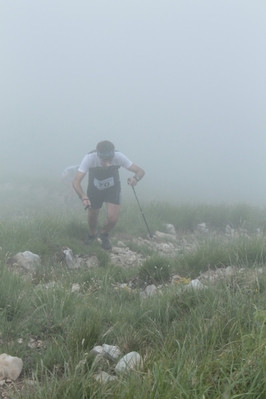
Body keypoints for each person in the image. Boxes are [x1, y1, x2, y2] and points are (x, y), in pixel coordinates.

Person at [73, 140, 145, 249]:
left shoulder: (119, 156)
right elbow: (76, 181)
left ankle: (104, 234)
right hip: (94, 188)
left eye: (110, 160)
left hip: (113, 188)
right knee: (93, 214)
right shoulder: (89, 158)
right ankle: (92, 234)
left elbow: (140, 171)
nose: (108, 163)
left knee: (113, 218)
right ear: (98, 156)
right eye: (104, 160)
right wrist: (83, 196)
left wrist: (135, 179)